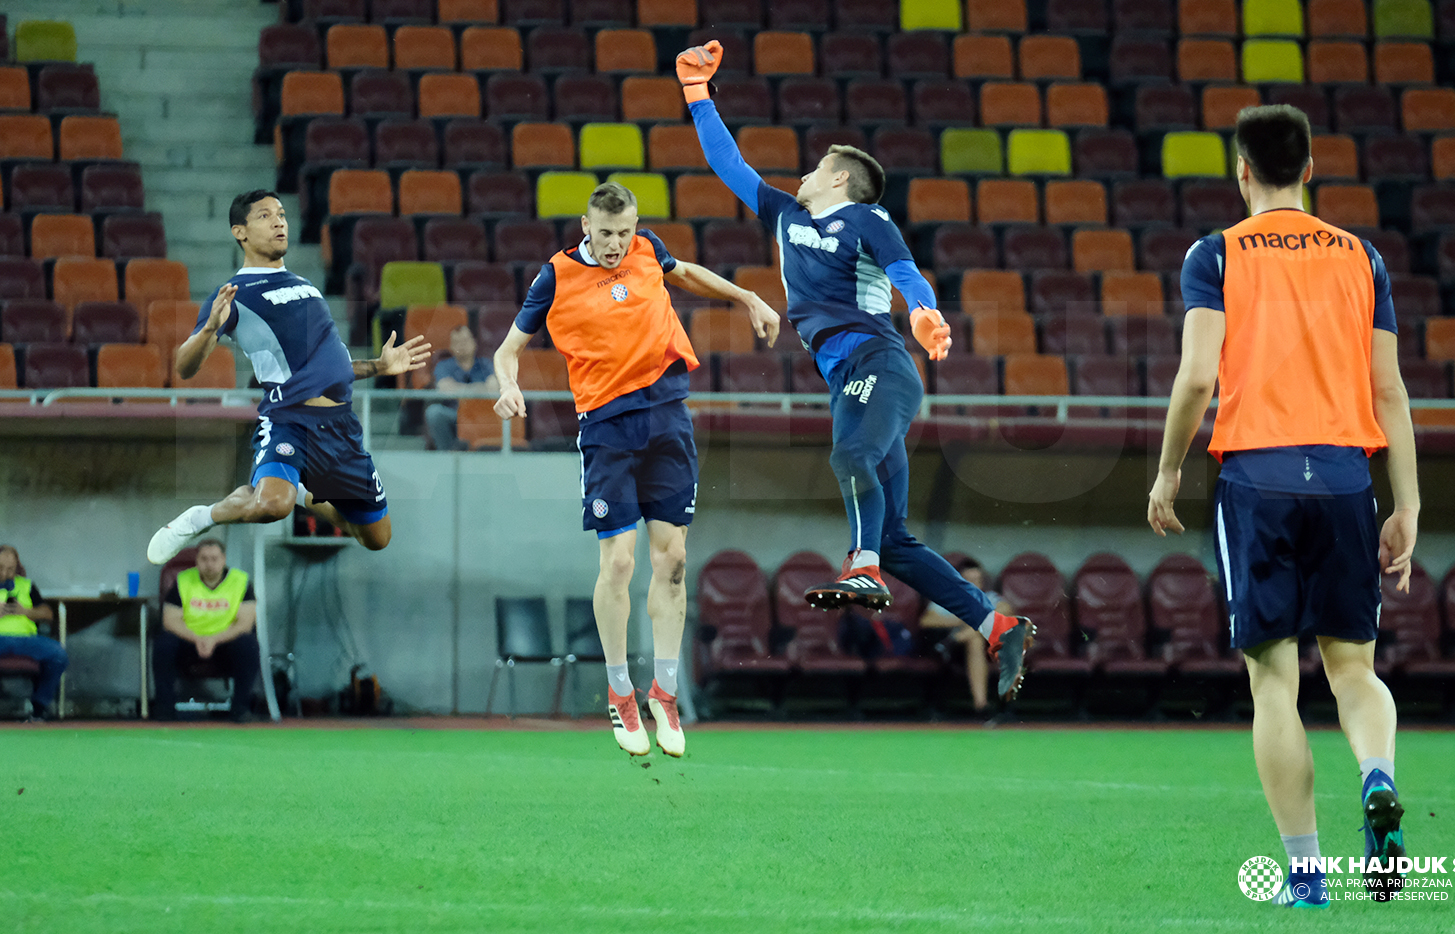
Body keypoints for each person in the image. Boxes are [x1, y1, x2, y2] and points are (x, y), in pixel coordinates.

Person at [677, 41, 1036, 702]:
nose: (807, 172)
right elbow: (728, 164)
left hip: (881, 363)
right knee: (896, 537)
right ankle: (997, 623)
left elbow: (906, 274)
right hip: (850, 379)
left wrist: (925, 314)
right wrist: (698, 93)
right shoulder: (786, 214)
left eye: (818, 166)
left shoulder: (868, 219)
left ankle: (861, 567)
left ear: (840, 178)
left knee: (850, 456)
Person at [1146, 104, 1418, 907]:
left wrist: (1166, 474)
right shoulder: (1361, 257)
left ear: (1241, 172)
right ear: (1310, 169)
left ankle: (1306, 875)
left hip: (1256, 478)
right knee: (1353, 668)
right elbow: (1390, 391)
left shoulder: (1216, 254)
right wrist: (1406, 503)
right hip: (1343, 475)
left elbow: (1198, 378)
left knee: (1273, 681)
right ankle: (1376, 778)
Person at [493, 182, 780, 759]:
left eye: (624, 232)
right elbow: (508, 350)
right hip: (606, 429)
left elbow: (689, 273)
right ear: (585, 225)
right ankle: (620, 691)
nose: (616, 244)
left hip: (668, 419)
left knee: (671, 560)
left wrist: (748, 297)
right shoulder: (554, 275)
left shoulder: (648, 248)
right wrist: (508, 386)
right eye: (605, 234)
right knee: (619, 561)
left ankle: (664, 694)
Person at [146, 191, 430, 566]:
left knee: (376, 537)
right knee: (270, 506)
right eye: (265, 216)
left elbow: (332, 364)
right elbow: (183, 366)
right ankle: (201, 518)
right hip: (290, 420)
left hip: (341, 427)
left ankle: (301, 492)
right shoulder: (234, 294)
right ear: (240, 232)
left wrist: (377, 367)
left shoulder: (307, 286)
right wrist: (208, 330)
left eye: (281, 213)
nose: (280, 221)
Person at [152, 538, 259, 723]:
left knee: (248, 644)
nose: (209, 564)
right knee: (164, 644)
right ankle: (164, 710)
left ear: (223, 559)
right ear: (197, 560)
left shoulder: (240, 581)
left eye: (214, 559)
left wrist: (214, 640)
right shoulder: (183, 581)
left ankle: (240, 709)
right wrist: (197, 638)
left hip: (225, 644)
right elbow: (169, 620)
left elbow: (245, 624)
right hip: (190, 643)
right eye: (204, 559)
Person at [0, 546, 67, 722]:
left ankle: (39, 709)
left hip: (26, 639)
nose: (4, 573)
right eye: (0, 567)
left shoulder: (26, 585)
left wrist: (25, 611)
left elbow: (47, 613)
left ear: (16, 568)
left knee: (58, 654)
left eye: (10, 570)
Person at [919, 557, 1014, 715]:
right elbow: (926, 621)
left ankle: (980, 704)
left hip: (986, 649)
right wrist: (960, 619)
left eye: (977, 580)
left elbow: (1006, 611)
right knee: (975, 635)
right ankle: (981, 704)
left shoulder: (989, 597)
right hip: (955, 653)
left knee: (975, 639)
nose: (974, 584)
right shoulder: (948, 597)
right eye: (969, 580)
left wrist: (977, 619)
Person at [425, 323, 496, 451]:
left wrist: (458, 390)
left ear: (474, 343)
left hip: (481, 417)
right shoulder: (443, 366)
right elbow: (445, 389)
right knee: (434, 413)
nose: (461, 345)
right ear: (451, 346)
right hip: (455, 415)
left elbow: (494, 388)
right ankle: (447, 457)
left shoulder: (485, 364)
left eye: (465, 340)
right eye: (457, 342)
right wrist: (479, 389)